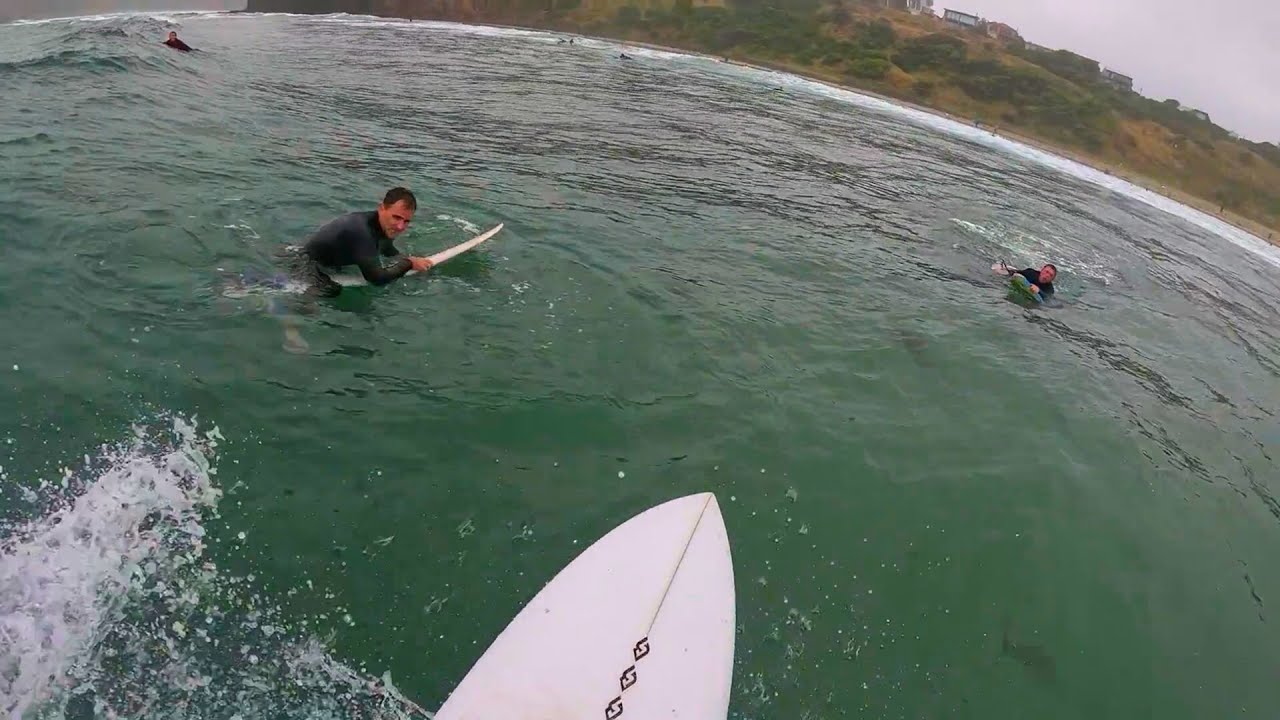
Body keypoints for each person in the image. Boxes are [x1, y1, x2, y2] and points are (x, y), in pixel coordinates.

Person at [284, 187, 435, 299]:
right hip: (303, 263)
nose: (401, 226)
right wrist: (408, 263)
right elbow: (376, 279)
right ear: (381, 208)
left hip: (312, 257)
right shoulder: (362, 231)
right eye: (396, 217)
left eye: (406, 221)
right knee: (330, 290)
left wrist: (409, 260)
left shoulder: (381, 226)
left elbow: (387, 250)